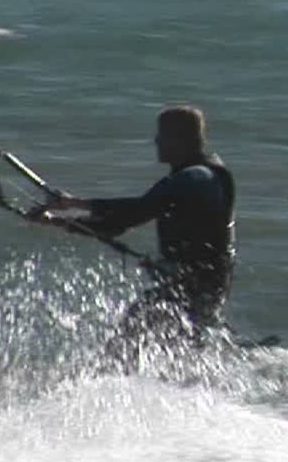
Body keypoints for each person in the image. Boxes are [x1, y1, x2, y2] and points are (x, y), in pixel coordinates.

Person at [35, 105, 236, 369]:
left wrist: (58, 220)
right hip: (208, 285)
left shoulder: (191, 179)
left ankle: (106, 382)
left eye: (161, 135)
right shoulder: (207, 174)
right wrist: (72, 204)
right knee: (178, 346)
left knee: (126, 341)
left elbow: (129, 216)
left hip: (191, 287)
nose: (156, 141)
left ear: (179, 140)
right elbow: (130, 214)